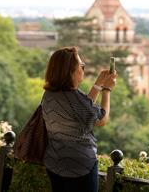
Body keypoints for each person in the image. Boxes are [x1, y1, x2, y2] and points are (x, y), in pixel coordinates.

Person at [41, 46, 117, 192]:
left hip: (55, 162)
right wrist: (107, 90)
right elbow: (101, 120)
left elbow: (82, 111)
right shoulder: (74, 97)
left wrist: (98, 84)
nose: (83, 69)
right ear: (70, 71)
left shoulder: (49, 95)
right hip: (80, 166)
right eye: (81, 66)